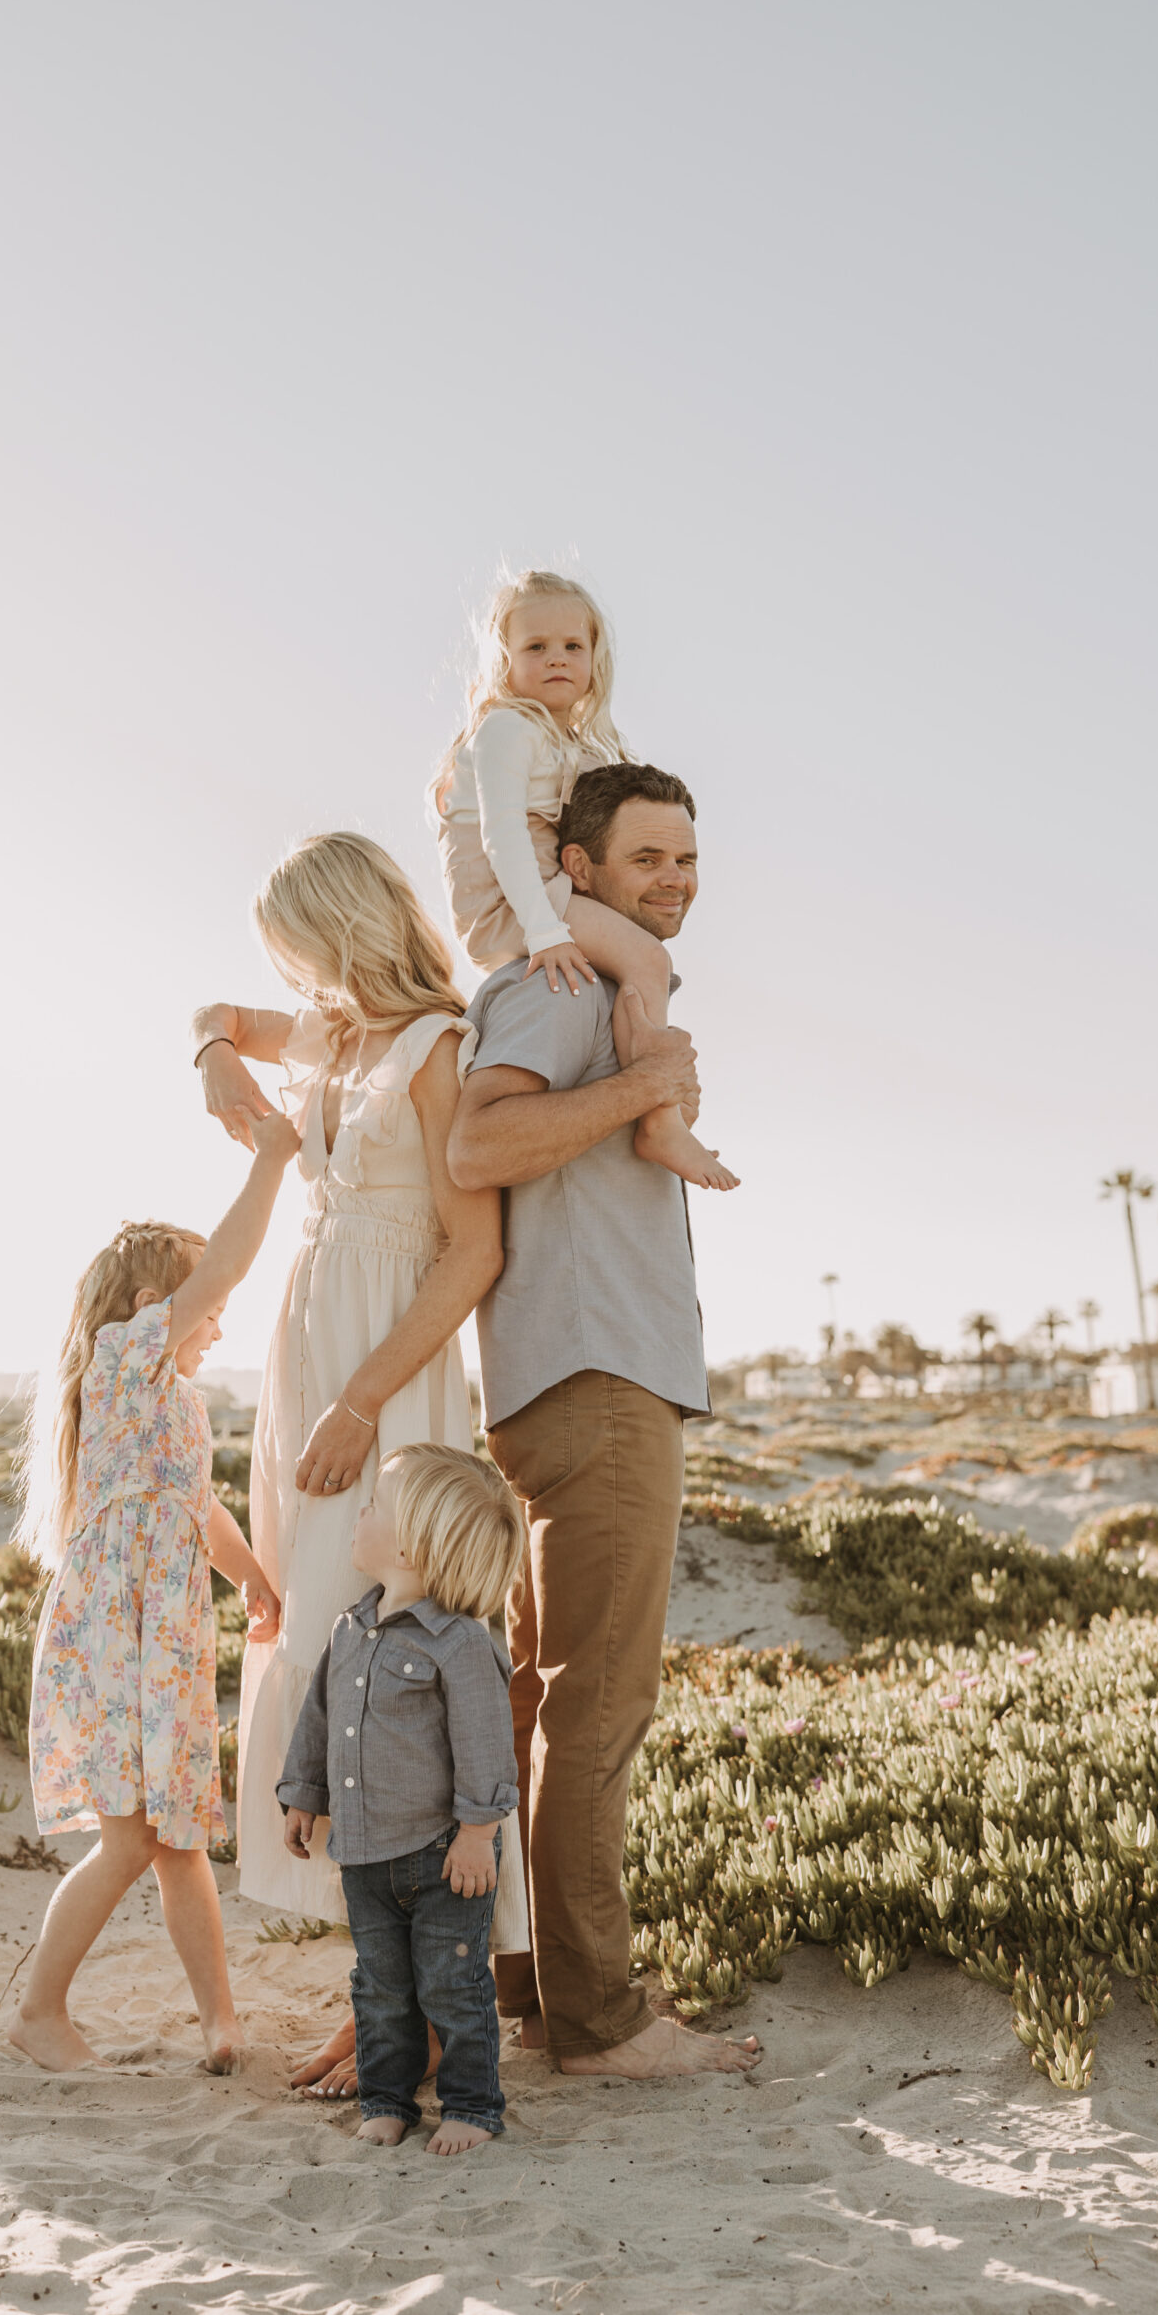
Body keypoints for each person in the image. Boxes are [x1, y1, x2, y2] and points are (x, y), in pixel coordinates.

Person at [191, 829, 526, 2098]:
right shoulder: (328, 1035)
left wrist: (363, 1400)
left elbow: (472, 1253)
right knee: (323, 1650)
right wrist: (214, 1053)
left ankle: (434, 2006)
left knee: (403, 1668)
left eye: (303, 949)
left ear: (347, 929)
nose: (296, 976)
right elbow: (213, 1011)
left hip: (388, 1370)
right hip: (308, 1351)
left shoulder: (440, 1047)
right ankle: (382, 1989)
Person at [447, 761, 761, 2083]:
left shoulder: (590, 985)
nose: (671, 880)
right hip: (595, 1381)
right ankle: (596, 2021)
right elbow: (480, 1147)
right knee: (597, 1708)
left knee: (544, 1704)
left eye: (684, 858)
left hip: (565, 1377)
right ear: (573, 869)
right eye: (645, 858)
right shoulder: (557, 983)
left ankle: (534, 1983)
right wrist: (640, 1095)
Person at [8, 1122, 297, 2073]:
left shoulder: (174, 1397)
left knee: (177, 1840)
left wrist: (252, 1578)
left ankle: (221, 2022)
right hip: (114, 1639)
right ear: (150, 1307)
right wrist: (271, 1160)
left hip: (160, 1636)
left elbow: (197, 1506)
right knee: (131, 1842)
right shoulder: (127, 1361)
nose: (219, 1323)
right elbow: (224, 1272)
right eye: (204, 1307)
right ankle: (38, 2011)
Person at [433, 569, 735, 1192]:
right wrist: (545, 932)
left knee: (636, 963)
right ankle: (660, 1118)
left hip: (540, 890)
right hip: (507, 898)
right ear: (504, 661)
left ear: (596, 656)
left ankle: (656, 1091)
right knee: (648, 960)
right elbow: (503, 840)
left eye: (573, 646)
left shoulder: (576, 741)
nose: (557, 660)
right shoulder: (505, 729)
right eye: (535, 648)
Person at [278, 1444, 525, 2155]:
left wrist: (478, 1834)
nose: (361, 1512)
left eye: (376, 1505)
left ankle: (471, 2107)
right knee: (380, 1989)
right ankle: (388, 2100)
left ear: (413, 1546)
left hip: (444, 1856)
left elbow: (483, 1743)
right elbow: (318, 1719)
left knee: (453, 1987)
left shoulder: (458, 1645)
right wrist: (303, 1794)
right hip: (363, 1853)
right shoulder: (349, 1629)